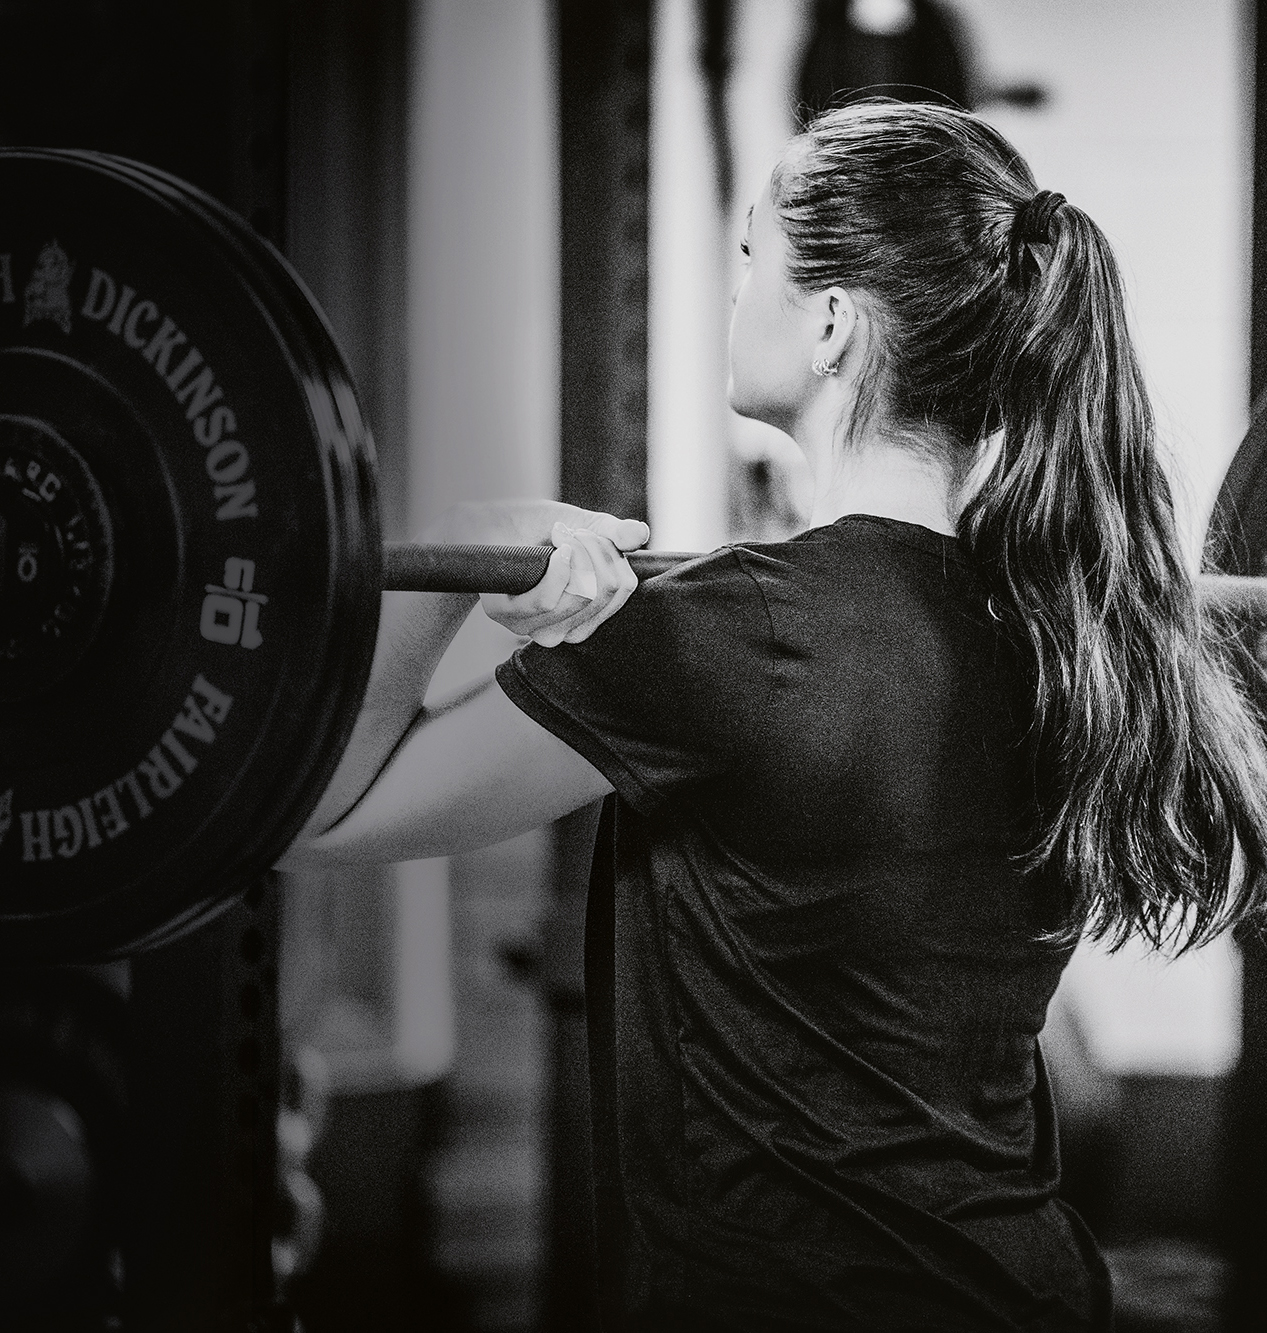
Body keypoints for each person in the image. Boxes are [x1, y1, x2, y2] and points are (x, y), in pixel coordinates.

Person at [282, 100, 1267, 1330]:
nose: (736, 291)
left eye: (752, 255)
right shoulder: (1077, 634)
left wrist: (471, 549)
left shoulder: (730, 631)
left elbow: (325, 806)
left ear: (834, 326)